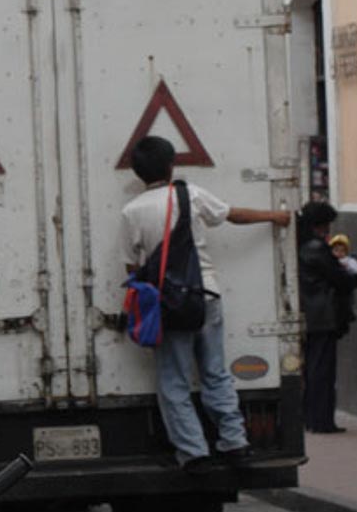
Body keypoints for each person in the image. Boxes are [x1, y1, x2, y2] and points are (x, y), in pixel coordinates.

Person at [120, 136, 289, 472]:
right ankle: (234, 442)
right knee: (215, 373)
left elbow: (131, 268)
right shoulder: (190, 194)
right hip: (205, 296)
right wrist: (275, 216)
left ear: (138, 173)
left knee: (174, 381)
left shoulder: (131, 212)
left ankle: (194, 452)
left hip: (169, 306)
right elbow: (232, 215)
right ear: (171, 166)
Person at [297, 204, 357, 435]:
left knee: (313, 368)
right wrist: (352, 276)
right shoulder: (317, 249)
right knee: (322, 369)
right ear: (320, 224)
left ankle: (312, 418)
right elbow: (340, 278)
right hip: (323, 316)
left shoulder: (303, 246)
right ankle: (322, 420)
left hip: (313, 315)